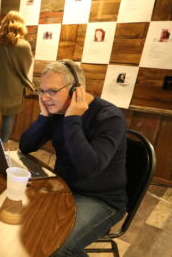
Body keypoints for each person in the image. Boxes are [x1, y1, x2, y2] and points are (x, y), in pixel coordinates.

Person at [19, 60, 127, 257]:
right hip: (63, 187)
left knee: (59, 246)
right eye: (41, 91)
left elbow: (89, 168)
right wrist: (44, 117)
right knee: (22, 223)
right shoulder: (57, 111)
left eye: (52, 91)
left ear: (76, 90)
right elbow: (25, 146)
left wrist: (72, 118)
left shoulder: (109, 117)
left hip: (101, 199)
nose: (44, 97)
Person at [0, 11, 34, 143]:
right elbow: (25, 66)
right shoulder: (23, 46)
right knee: (8, 116)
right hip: (13, 87)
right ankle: (2, 145)